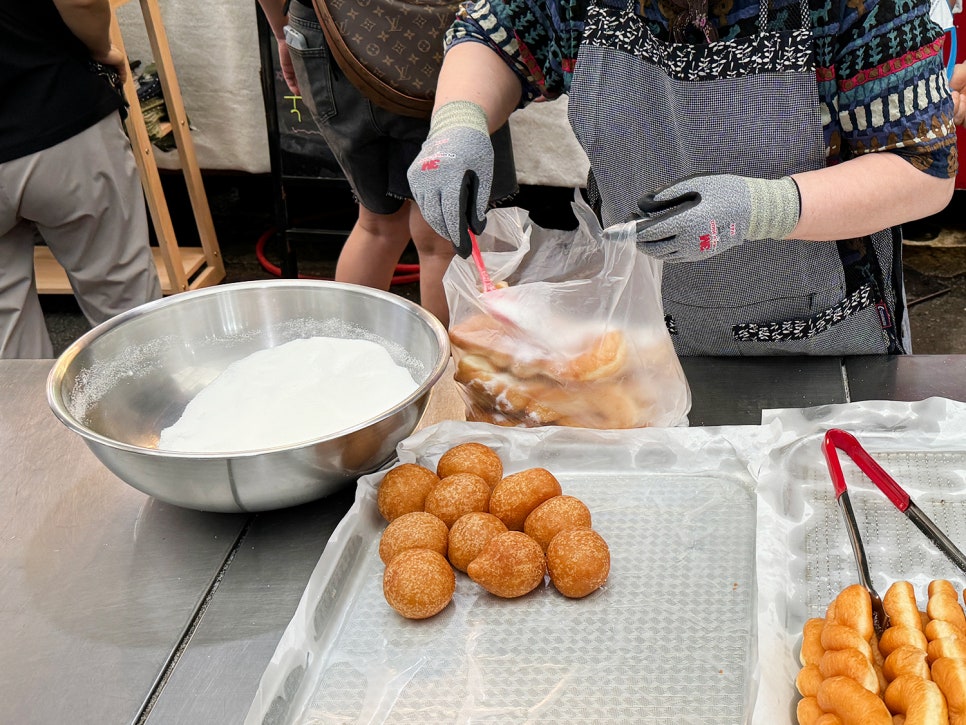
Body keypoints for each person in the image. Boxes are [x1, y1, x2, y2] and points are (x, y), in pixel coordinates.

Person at [407, 0, 958, 356]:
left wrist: (759, 208)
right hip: (640, 322)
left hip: (821, 339)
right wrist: (458, 123)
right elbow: (493, 32)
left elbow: (921, 168)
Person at [256, 0, 518, 327]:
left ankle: (349, 357)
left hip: (331, 37)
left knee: (376, 224)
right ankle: (443, 375)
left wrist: (282, 32)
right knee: (441, 239)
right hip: (440, 40)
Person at [0, 0, 162, 359]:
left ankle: (19, 415)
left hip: (49, 112)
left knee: (5, 352)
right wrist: (101, 47)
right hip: (58, 110)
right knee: (126, 315)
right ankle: (147, 411)